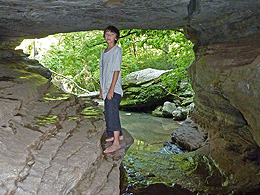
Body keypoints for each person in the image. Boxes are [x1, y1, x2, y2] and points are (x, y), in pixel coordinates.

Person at [99, 26, 124, 153]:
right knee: (109, 112)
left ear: (116, 37)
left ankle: (116, 143)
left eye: (112, 34)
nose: (108, 36)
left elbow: (116, 71)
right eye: (107, 34)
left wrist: (111, 90)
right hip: (106, 88)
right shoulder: (104, 52)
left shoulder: (117, 51)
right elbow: (102, 71)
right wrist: (101, 89)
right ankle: (118, 135)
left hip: (114, 88)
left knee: (112, 114)